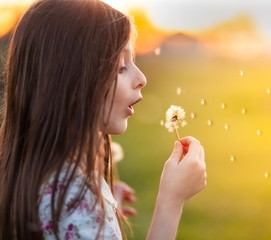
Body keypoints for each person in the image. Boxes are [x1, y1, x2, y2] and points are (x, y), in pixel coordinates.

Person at [0, 0, 207, 239]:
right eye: (121, 67)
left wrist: (101, 210)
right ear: (71, 83)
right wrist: (171, 201)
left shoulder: (30, 175)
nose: (142, 78)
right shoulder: (74, 198)